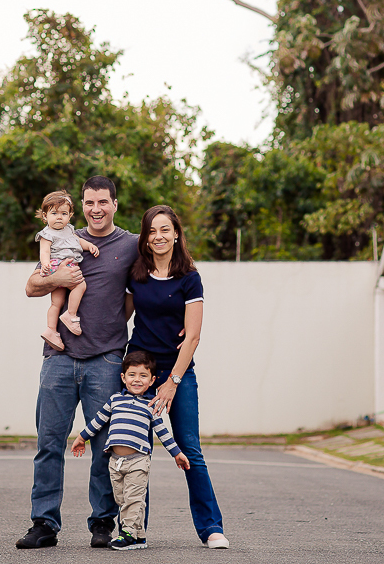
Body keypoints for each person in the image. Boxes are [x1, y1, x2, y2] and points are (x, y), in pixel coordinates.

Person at [17, 176, 139, 550]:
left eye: (103, 202)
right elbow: (31, 286)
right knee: (49, 442)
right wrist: (59, 276)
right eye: (89, 202)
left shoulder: (130, 244)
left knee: (105, 443)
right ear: (81, 205)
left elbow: (149, 285)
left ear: (115, 204)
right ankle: (44, 524)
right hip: (59, 358)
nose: (96, 209)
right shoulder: (63, 235)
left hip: (105, 359)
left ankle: (102, 524)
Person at [126, 204, 229, 549]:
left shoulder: (189, 278)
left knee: (190, 449)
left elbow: (194, 335)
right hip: (140, 372)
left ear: (176, 234)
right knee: (136, 453)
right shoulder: (135, 273)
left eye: (165, 230)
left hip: (178, 372)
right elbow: (119, 316)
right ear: (145, 237)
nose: (158, 236)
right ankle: (134, 529)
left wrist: (173, 381)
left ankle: (212, 528)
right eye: (152, 231)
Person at [69, 350, 190, 551]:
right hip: (115, 462)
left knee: (133, 499)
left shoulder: (151, 406)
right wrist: (82, 437)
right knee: (122, 499)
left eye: (143, 376)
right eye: (132, 375)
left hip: (138, 461)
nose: (137, 380)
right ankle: (139, 535)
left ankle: (127, 533)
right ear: (123, 377)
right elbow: (98, 421)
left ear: (152, 380)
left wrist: (177, 453)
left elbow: (163, 432)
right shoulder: (115, 400)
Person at [34, 190, 100, 351]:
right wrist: (45, 264)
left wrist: (89, 246)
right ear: (44, 216)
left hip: (59, 267)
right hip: (60, 265)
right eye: (54, 213)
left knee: (57, 302)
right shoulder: (46, 234)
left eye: (64, 213)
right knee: (80, 286)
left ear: (69, 216)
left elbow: (78, 240)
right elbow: (44, 252)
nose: (59, 217)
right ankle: (70, 314)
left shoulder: (69, 230)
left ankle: (51, 330)